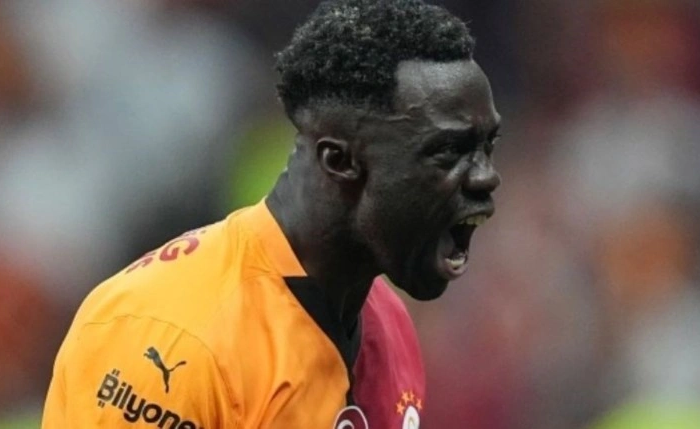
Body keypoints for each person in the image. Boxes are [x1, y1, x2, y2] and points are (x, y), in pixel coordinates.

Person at [41, 0, 502, 427]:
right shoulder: (175, 339)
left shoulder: (388, 323)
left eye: (488, 147)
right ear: (340, 160)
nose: (487, 177)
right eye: (448, 151)